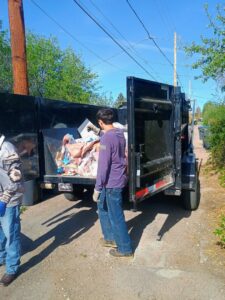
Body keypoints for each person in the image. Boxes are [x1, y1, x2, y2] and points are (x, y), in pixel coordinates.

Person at [92, 108, 133, 257]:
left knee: (116, 215)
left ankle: (125, 248)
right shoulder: (119, 133)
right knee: (102, 206)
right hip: (118, 177)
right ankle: (109, 238)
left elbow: (103, 165)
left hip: (111, 183)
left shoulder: (106, 139)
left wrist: (97, 187)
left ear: (101, 122)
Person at [0, 134, 24, 286]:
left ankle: (12, 268)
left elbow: (16, 179)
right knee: (0, 231)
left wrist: (3, 200)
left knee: (11, 233)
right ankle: (2, 257)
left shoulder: (6, 149)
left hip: (8, 199)